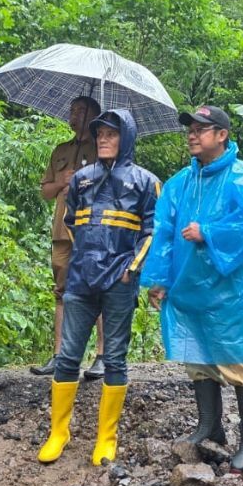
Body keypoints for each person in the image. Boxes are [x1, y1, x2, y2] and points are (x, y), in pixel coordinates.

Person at [140, 105, 243, 473]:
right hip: (188, 288)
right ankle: (210, 426)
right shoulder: (180, 183)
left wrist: (208, 233)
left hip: (230, 291)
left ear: (222, 134)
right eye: (190, 129)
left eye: (201, 129)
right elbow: (163, 231)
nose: (192, 135)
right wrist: (158, 279)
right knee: (197, 358)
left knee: (237, 359)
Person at [38, 109, 159, 466]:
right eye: (100, 134)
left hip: (120, 281)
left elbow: (152, 232)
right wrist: (83, 259)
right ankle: (58, 432)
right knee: (68, 354)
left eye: (112, 134)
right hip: (82, 278)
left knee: (115, 358)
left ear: (127, 138)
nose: (104, 139)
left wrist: (129, 270)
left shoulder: (145, 182)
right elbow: (70, 219)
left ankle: (107, 437)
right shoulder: (82, 179)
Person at [32, 96, 104, 378]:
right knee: (61, 291)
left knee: (99, 290)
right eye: (72, 110)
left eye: (81, 111)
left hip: (95, 230)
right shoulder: (60, 150)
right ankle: (59, 355)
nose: (74, 116)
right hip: (63, 230)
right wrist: (62, 182)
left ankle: (102, 356)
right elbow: (45, 192)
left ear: (94, 116)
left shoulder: (104, 149)